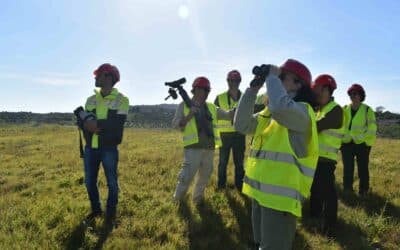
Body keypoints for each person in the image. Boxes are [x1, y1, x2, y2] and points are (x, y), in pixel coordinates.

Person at [234, 59, 318, 249]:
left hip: (280, 202)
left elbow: (281, 107)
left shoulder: (303, 113)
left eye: (282, 77)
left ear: (298, 84)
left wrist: (271, 75)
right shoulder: (269, 115)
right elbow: (241, 124)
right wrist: (252, 89)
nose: (275, 81)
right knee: (260, 244)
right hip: (260, 195)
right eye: (276, 78)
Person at [172, 77, 233, 205]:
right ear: (195, 90)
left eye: (207, 90)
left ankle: (197, 199)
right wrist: (189, 116)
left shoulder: (211, 107)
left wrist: (241, 108)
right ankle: (177, 200)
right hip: (193, 148)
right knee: (187, 176)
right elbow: (176, 124)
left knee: (205, 176)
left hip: (209, 148)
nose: (205, 93)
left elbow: (228, 115)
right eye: (203, 90)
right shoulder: (183, 105)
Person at [81, 63, 129, 223]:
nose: (96, 77)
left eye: (99, 74)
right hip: (90, 148)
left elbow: (116, 124)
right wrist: (86, 124)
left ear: (108, 77)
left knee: (112, 183)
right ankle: (96, 210)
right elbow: (81, 121)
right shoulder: (90, 99)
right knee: (89, 182)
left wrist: (94, 125)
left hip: (109, 148)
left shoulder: (122, 100)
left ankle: (110, 213)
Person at [310, 74, 344, 234]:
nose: (316, 94)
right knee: (315, 189)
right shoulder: (320, 109)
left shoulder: (335, 110)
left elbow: (316, 127)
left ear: (327, 90)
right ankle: (314, 215)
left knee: (327, 191)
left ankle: (331, 223)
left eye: (318, 90)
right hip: (315, 157)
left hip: (326, 159)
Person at [341, 83, 377, 196]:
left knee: (363, 169)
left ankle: (364, 191)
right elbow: (340, 125)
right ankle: (347, 189)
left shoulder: (367, 110)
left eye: (355, 93)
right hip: (346, 143)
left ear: (361, 95)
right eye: (350, 94)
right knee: (348, 168)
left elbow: (372, 127)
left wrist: (364, 141)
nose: (352, 96)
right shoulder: (344, 109)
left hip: (362, 144)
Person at [214, 70, 245, 190]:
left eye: (236, 80)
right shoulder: (219, 98)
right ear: (227, 81)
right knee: (222, 163)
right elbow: (214, 114)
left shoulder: (244, 98)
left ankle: (240, 186)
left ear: (239, 81)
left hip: (239, 134)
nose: (233, 83)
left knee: (239, 163)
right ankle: (221, 186)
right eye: (231, 80)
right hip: (224, 135)